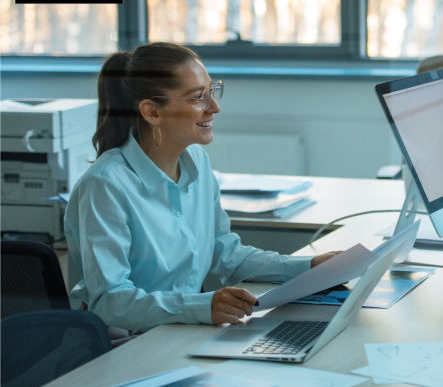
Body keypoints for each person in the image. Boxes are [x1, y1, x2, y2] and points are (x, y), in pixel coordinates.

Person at [64, 43, 340, 341]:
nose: (214, 107)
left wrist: (310, 267)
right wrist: (202, 306)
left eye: (212, 91)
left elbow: (226, 254)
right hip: (125, 344)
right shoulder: (105, 185)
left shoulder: (197, 162)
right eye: (198, 97)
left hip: (182, 330)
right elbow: (110, 301)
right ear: (152, 112)